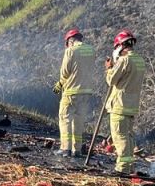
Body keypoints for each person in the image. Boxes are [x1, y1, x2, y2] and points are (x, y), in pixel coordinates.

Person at [104, 29, 146, 176]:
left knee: (120, 137)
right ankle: (128, 167)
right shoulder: (139, 60)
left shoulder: (124, 60)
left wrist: (109, 68)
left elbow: (112, 80)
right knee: (127, 136)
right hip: (131, 105)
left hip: (120, 105)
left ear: (120, 46)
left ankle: (122, 168)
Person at [53, 28, 100, 157]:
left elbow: (65, 72)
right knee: (79, 121)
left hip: (71, 91)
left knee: (65, 119)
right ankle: (76, 150)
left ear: (70, 41)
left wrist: (59, 84)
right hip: (86, 92)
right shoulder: (91, 50)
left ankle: (65, 149)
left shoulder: (71, 51)